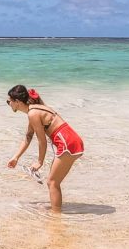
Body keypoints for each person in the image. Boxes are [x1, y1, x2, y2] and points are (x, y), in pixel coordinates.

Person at [5, 84, 84, 212]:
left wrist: (40, 161)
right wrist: (16, 157)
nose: (8, 104)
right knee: (53, 182)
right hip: (71, 141)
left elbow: (42, 141)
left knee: (52, 182)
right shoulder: (33, 110)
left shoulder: (33, 113)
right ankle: (56, 213)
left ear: (17, 102)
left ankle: (56, 217)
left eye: (9, 101)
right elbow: (28, 137)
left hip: (66, 142)